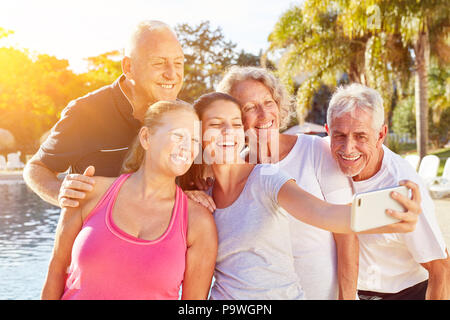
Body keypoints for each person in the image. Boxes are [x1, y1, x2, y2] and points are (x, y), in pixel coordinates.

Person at [186, 92, 421, 300]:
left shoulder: (265, 176)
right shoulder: (201, 198)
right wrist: (186, 197)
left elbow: (325, 213)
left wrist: (392, 214)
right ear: (198, 133)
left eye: (236, 124)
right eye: (216, 124)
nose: (228, 132)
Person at [41, 101, 217, 300]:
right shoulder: (90, 191)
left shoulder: (198, 221)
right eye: (178, 135)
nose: (187, 147)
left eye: (195, 141)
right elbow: (56, 270)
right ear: (146, 137)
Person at [210, 66, 358, 300]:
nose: (264, 114)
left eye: (268, 102)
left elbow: (347, 234)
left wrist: (347, 298)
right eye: (249, 107)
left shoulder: (316, 151)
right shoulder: (234, 172)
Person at [23, 20, 185, 208]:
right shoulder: (85, 113)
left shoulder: (185, 117)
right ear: (128, 67)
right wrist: (60, 193)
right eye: (159, 63)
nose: (172, 74)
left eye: (179, 63)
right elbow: (37, 167)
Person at [325, 83, 450, 300]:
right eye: (339, 136)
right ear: (327, 132)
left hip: (405, 294)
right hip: (350, 291)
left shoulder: (403, 187)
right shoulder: (320, 158)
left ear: (381, 134)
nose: (348, 149)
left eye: (361, 136)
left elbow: (440, 266)